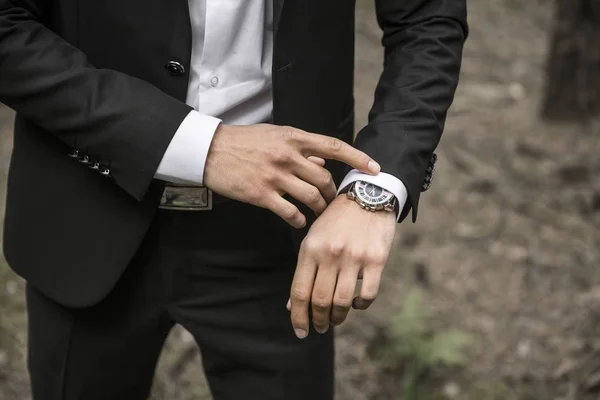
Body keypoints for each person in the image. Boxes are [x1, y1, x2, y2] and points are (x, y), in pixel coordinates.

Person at [0, 0, 468, 399]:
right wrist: (203, 146)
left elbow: (427, 18)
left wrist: (374, 189)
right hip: (87, 205)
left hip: (284, 225)